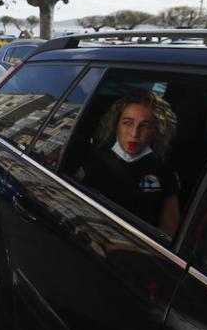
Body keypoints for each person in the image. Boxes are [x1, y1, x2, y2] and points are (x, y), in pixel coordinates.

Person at [77, 90, 180, 235]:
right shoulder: (93, 163)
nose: (134, 133)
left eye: (144, 125)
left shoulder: (163, 171)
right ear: (116, 125)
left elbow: (169, 225)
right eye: (127, 123)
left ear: (156, 130)